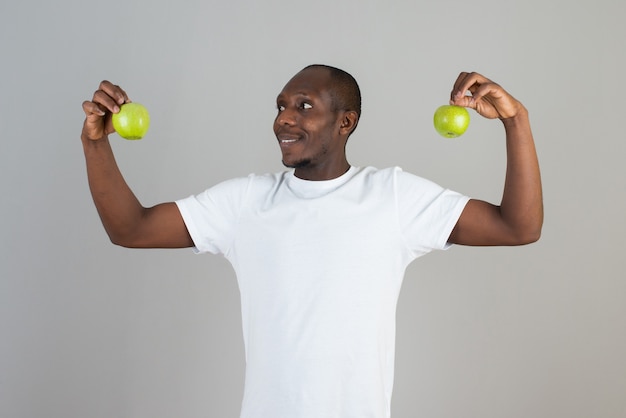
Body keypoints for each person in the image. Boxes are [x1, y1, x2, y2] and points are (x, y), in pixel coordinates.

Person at [81, 64, 543, 418]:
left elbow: (518, 227)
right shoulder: (247, 202)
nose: (284, 119)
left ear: (346, 122)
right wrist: (96, 143)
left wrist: (515, 120)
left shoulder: (393, 197)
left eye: (304, 107)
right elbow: (132, 229)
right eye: (281, 106)